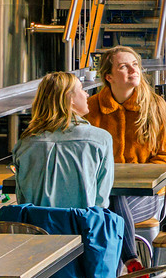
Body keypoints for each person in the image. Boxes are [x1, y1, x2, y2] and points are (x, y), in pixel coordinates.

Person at [88, 45, 166, 227]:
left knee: (108, 216)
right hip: (100, 193)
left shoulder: (156, 107)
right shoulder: (90, 109)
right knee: (104, 212)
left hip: (147, 194)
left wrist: (136, 181)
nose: (133, 70)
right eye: (123, 66)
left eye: (135, 64)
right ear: (109, 77)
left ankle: (125, 255)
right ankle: (131, 255)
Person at [10, 70, 114, 210]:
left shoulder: (25, 142)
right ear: (70, 99)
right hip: (82, 226)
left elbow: (22, 198)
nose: (86, 94)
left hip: (37, 227)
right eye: (82, 90)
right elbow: (101, 200)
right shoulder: (100, 139)